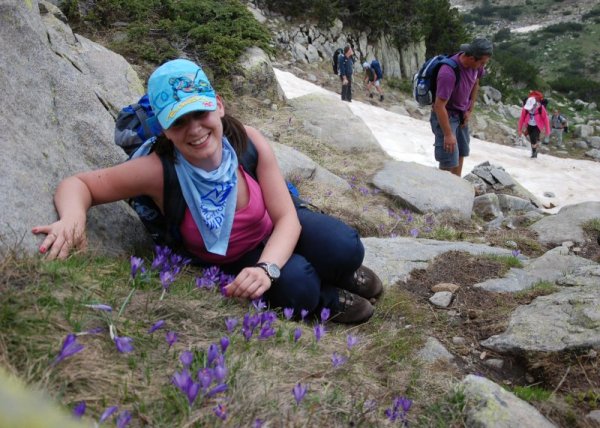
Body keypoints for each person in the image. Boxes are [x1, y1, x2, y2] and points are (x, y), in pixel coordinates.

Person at [31, 59, 382, 324]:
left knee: (346, 247)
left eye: (200, 112)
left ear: (218, 105)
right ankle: (326, 296)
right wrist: (73, 217)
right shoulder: (158, 169)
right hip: (231, 256)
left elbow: (287, 217)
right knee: (300, 289)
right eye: (178, 121)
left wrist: (268, 268)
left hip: (272, 230)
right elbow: (79, 184)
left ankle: (338, 271)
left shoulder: (248, 141)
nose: (194, 129)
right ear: (165, 130)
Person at [430, 38, 492, 177]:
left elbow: (475, 83)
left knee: (461, 152)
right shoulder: (448, 73)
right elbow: (439, 106)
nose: (483, 66)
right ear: (471, 58)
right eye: (481, 62)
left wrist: (469, 109)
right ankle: (443, 191)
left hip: (461, 114)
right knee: (448, 159)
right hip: (446, 116)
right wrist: (448, 134)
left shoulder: (476, 67)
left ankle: (456, 186)